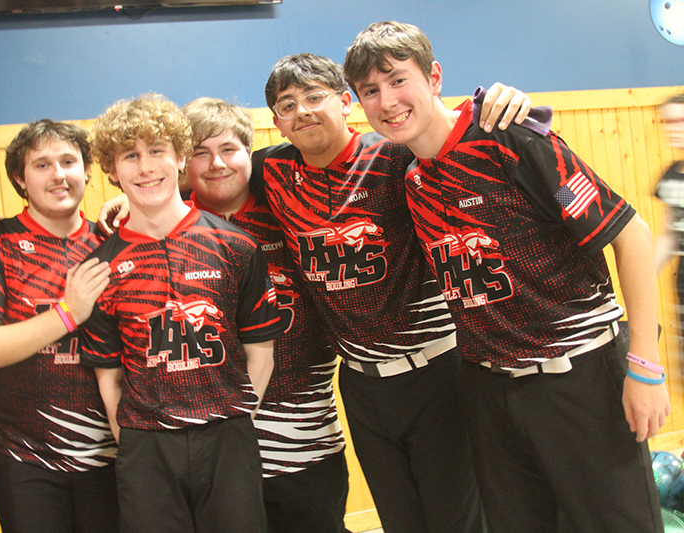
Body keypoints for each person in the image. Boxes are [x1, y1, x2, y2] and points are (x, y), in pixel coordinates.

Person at [345, 20, 669, 533]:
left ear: (433, 77)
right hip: (487, 390)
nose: (387, 101)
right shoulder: (410, 178)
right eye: (370, 91)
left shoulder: (509, 138)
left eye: (397, 80)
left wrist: (646, 366)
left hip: (579, 377)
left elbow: (633, 237)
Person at [246, 52, 530, 533]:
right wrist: (126, 199)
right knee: (399, 520)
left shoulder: (397, 156)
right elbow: (200, 180)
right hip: (360, 384)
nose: (304, 112)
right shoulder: (270, 171)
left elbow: (454, 131)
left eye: (315, 97)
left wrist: (507, 102)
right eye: (288, 105)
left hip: (437, 373)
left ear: (346, 102)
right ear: (277, 123)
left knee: (455, 520)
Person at [80, 94, 284, 533]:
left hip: (228, 432)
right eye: (130, 156)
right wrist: (135, 442)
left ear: (178, 158)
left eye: (156, 150)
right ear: (112, 171)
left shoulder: (236, 246)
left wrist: (237, 420)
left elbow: (261, 351)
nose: (146, 166)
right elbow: (108, 376)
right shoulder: (99, 268)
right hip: (145, 446)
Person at [182, 97, 348, 533]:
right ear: (183, 164)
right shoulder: (165, 228)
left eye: (229, 150)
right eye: (200, 152)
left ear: (251, 153)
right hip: (215, 446)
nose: (216, 164)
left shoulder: (292, 207)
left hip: (305, 439)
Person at [0, 120, 119, 533]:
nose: (59, 174)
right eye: (42, 165)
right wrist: (68, 313)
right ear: (20, 177)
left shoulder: (115, 242)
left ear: (87, 170)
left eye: (68, 161)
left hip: (112, 457)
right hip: (26, 461)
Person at [655, 93, 684, 358]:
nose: (672, 128)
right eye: (668, 122)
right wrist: (646, 275)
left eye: (680, 121)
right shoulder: (672, 175)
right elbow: (670, 235)